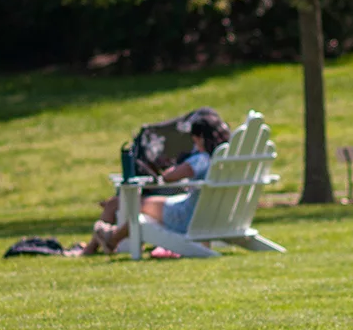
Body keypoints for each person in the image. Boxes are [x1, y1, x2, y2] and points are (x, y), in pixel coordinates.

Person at [68, 109, 231, 256]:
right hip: (211, 214)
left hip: (187, 217)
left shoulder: (201, 159)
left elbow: (169, 177)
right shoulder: (228, 159)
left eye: (194, 140)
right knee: (129, 208)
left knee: (129, 205)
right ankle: (110, 239)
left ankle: (105, 241)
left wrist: (169, 169)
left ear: (200, 138)